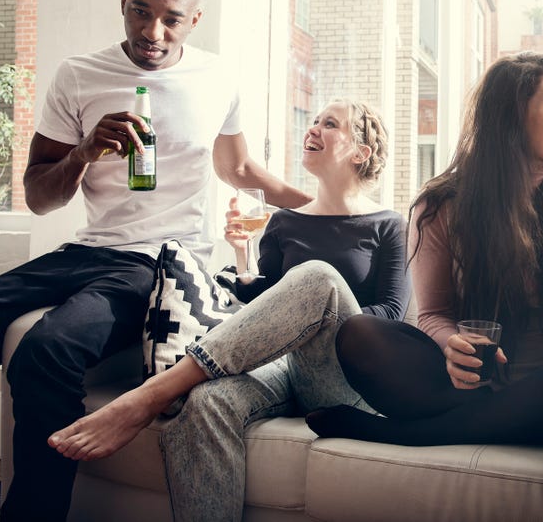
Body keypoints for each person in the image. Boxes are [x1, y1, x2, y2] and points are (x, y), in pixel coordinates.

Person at [0, 0, 311, 522]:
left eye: (171, 19)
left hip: (155, 262)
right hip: (83, 249)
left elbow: (240, 170)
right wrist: (84, 151)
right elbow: (38, 195)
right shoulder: (78, 75)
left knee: (45, 350)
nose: (153, 32)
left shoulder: (216, 78)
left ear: (194, 19)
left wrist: (336, 207)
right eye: (140, 12)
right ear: (122, 1)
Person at [47, 99, 410, 521]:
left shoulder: (388, 224)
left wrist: (324, 317)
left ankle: (150, 396)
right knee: (205, 402)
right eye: (312, 120)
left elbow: (392, 312)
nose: (313, 128)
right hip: (286, 368)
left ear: (360, 152)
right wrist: (243, 260)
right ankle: (181, 389)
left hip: (347, 376)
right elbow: (269, 305)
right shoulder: (285, 222)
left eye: (329, 124)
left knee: (319, 278)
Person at [305, 51, 543, 448]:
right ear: (511, 116)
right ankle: (498, 420)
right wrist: (451, 345)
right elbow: (432, 315)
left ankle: (409, 434)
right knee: (359, 334)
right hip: (470, 387)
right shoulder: (442, 205)